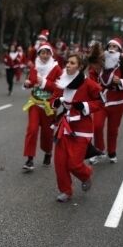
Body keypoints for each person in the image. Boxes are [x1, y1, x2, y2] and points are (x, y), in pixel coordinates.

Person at [47, 53, 103, 203]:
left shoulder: (89, 84)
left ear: (80, 66)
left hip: (82, 129)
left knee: (74, 164)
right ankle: (66, 190)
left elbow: (100, 102)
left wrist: (84, 105)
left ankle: (86, 175)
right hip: (64, 127)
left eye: (72, 63)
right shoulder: (62, 81)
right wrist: (56, 102)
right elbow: (52, 99)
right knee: (60, 162)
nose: (68, 65)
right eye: (68, 62)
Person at [89, 38, 123, 164]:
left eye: (115, 47)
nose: (112, 49)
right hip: (101, 99)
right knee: (97, 126)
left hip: (118, 101)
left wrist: (120, 81)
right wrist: (95, 86)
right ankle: (99, 150)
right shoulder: (99, 61)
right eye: (110, 46)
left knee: (113, 129)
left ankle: (112, 151)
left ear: (119, 50)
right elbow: (91, 76)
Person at [21, 41, 62, 170]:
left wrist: (43, 82)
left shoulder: (57, 69)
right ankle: (29, 159)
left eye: (47, 53)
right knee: (32, 130)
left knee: (47, 133)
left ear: (51, 54)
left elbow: (59, 88)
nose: (44, 56)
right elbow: (31, 83)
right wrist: (27, 84)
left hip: (49, 107)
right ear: (39, 54)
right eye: (42, 53)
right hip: (35, 103)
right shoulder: (35, 67)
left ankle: (48, 152)